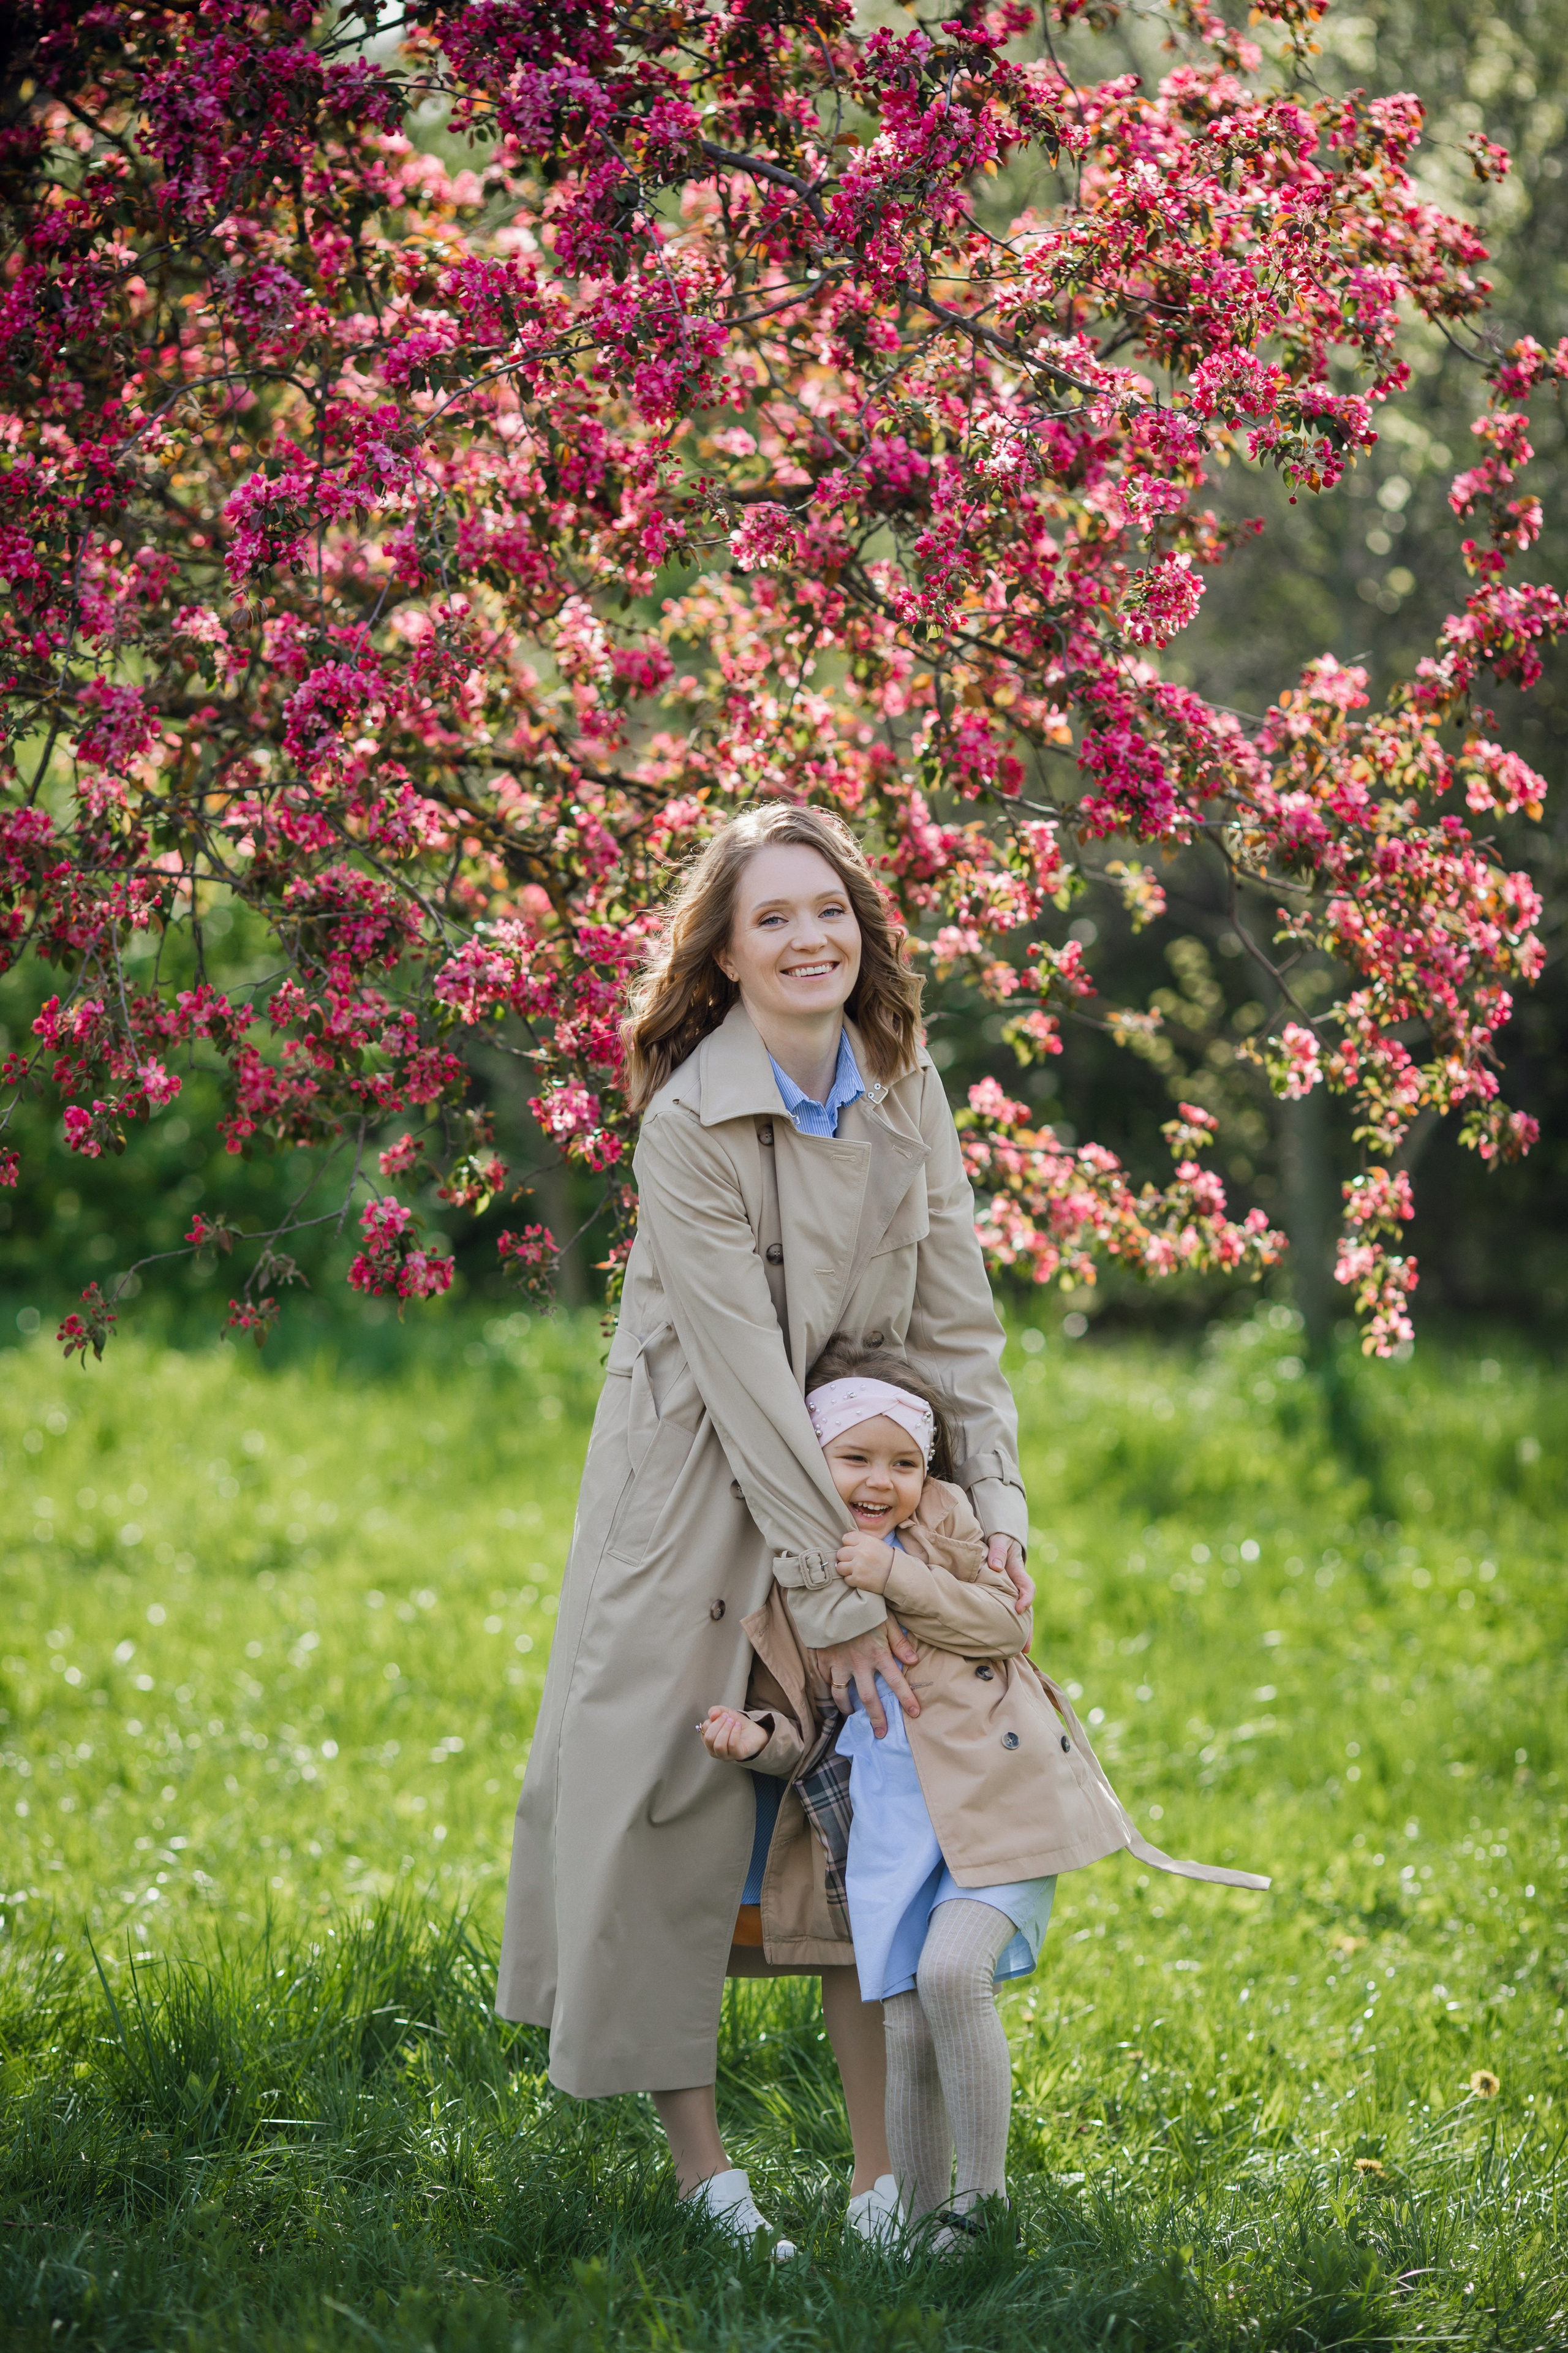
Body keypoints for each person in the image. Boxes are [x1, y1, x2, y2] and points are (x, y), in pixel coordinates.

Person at [494, 803, 1034, 2248]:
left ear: (863, 934)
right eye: (773, 918)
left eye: (830, 912)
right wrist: (840, 1605)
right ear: (722, 958)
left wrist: (989, 1509)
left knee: (873, 1814)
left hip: (868, 1489)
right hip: (693, 1493)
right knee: (667, 1802)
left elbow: (954, 1316)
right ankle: (707, 2184)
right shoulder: (685, 1123)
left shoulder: (902, 1081)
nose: (809, 939)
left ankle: (880, 2181)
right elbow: (742, 1385)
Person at [701, 1344, 1271, 2250]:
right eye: (856, 1457)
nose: (882, 1480)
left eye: (905, 1461)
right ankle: (921, 2224)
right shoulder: (797, 1584)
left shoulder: (946, 1526)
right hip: (892, 1835)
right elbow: (809, 1732)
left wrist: (896, 1577)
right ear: (812, 1462)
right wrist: (754, 1739)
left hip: (998, 1805)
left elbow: (1005, 1623)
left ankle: (984, 2201)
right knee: (904, 2021)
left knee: (949, 1975)